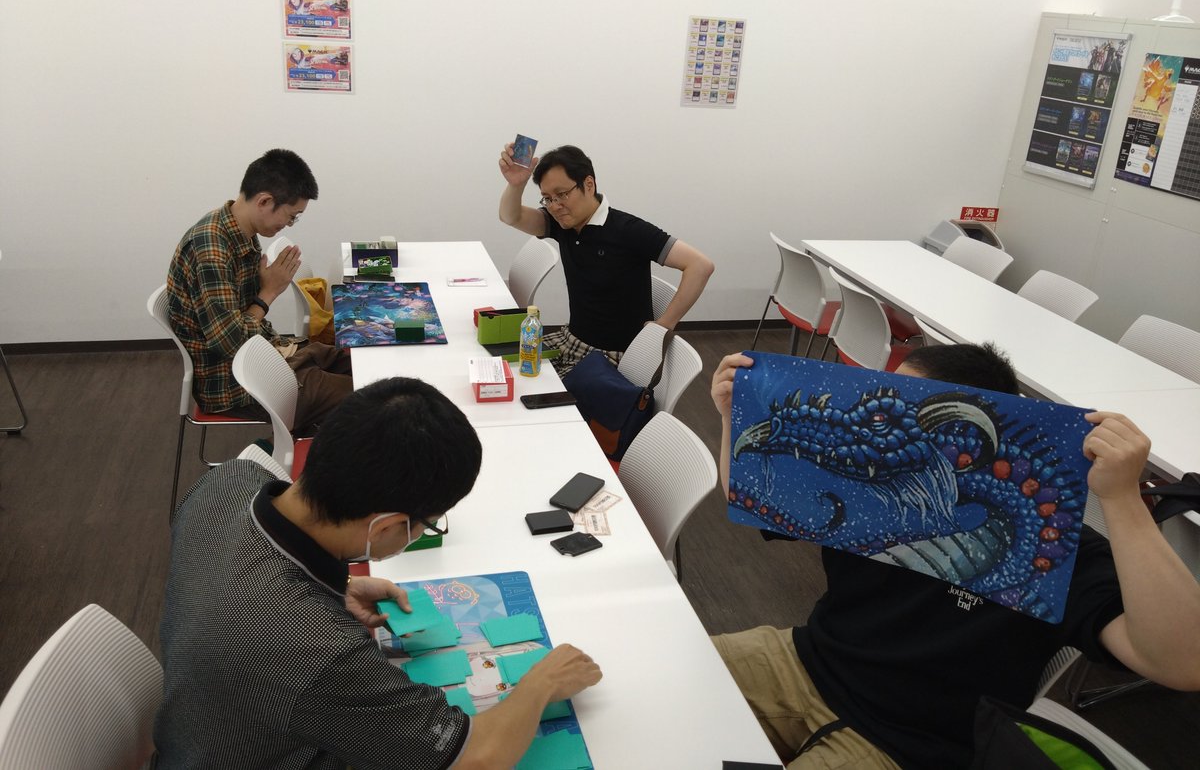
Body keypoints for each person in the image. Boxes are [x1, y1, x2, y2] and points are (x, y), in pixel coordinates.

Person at [709, 343, 1200, 769]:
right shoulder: (867, 498)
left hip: (908, 743)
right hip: (805, 661)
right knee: (668, 674)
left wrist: (1122, 500)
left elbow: (1184, 663)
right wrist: (735, 414)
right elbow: (751, 498)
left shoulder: (1053, 549)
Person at [155, 376, 603, 769]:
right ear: (386, 526)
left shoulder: (228, 482)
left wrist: (339, 586)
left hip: (203, 732)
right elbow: (475, 759)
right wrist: (541, 683)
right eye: (428, 524)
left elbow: (233, 580)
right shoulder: (317, 650)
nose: (425, 532)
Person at [166, 148, 352, 433]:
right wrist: (268, 293)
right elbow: (231, 343)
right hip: (235, 382)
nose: (288, 224)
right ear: (265, 201)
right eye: (291, 216)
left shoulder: (239, 230)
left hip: (270, 352)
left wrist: (264, 292)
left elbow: (242, 323)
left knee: (366, 363)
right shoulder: (211, 250)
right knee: (373, 397)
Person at [497, 142, 714, 375]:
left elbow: (700, 265)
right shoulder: (562, 224)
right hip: (571, 341)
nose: (555, 206)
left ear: (588, 184)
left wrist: (664, 325)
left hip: (613, 358)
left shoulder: (628, 230)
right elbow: (510, 216)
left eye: (562, 194)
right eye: (547, 198)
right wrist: (516, 184)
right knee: (503, 367)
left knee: (531, 388)